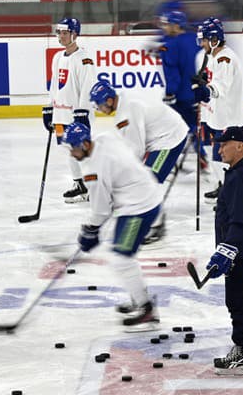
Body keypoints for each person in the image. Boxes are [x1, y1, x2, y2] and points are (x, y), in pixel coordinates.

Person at [62, 122, 161, 332]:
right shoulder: (105, 138)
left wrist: (90, 230)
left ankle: (146, 310)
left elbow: (101, 211)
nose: (72, 153)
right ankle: (138, 297)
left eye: (75, 148)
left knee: (121, 258)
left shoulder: (93, 171)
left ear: (86, 144)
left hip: (139, 207)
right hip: (141, 196)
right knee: (122, 256)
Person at [89, 80, 189, 243]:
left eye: (99, 105)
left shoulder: (127, 112)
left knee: (149, 180)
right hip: (160, 136)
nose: (99, 109)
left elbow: (135, 151)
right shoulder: (121, 101)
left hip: (169, 139)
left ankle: (155, 226)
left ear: (108, 100)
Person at [203, 126, 243, 375]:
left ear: (239, 146)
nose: (219, 149)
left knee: (237, 299)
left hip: (238, 249)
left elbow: (239, 218)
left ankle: (242, 350)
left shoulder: (240, 176)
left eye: (224, 144)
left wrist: (226, 250)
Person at [192, 17, 243, 202]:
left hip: (228, 118)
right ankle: (222, 185)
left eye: (204, 39)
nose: (201, 43)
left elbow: (220, 87)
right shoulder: (212, 56)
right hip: (215, 115)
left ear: (214, 39)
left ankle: (231, 192)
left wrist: (205, 91)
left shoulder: (225, 58)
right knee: (211, 152)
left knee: (224, 156)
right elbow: (209, 79)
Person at [42, 17, 97, 203]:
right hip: (61, 114)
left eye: (65, 33)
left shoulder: (84, 59)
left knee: (83, 151)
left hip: (78, 115)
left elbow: (88, 87)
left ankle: (94, 187)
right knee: (69, 150)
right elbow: (55, 85)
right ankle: (79, 185)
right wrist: (50, 108)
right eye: (59, 33)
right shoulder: (58, 57)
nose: (61, 36)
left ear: (75, 34)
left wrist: (82, 111)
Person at [158, 10, 208, 169]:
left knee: (173, 127)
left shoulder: (170, 45)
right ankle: (202, 153)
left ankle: (167, 160)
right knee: (194, 124)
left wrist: (170, 93)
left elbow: (172, 73)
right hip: (198, 91)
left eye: (168, 24)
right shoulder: (196, 40)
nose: (165, 27)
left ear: (176, 25)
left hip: (181, 95)